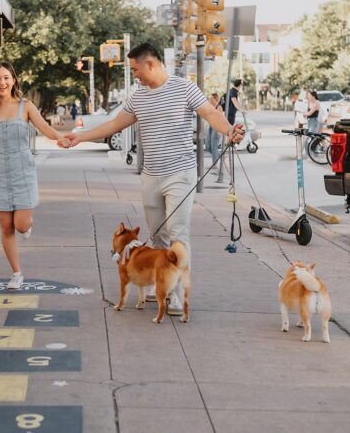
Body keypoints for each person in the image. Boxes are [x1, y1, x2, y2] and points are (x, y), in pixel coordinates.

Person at [63, 43, 243, 315]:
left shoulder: (184, 88)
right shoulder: (138, 96)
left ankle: (176, 295)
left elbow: (209, 113)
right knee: (158, 237)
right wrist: (79, 137)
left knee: (178, 234)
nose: (134, 74)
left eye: (135, 69)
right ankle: (161, 286)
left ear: (150, 64)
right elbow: (114, 124)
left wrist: (229, 131)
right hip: (151, 176)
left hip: (180, 174)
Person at [0, 62, 72, 289]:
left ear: (13, 80)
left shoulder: (26, 106)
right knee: (6, 228)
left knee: (21, 225)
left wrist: (60, 137)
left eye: (6, 78)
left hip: (23, 169)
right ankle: (17, 273)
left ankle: (27, 226)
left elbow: (45, 128)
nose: (2, 82)